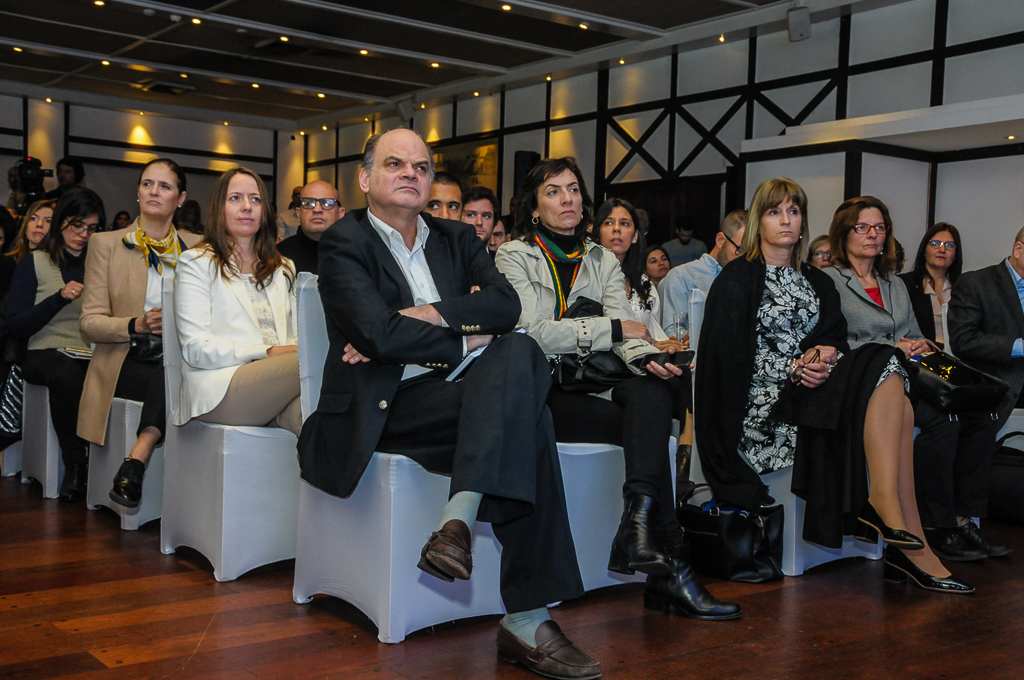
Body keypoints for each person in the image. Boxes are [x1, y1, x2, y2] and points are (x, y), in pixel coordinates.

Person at [299, 130, 600, 680]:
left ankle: (455, 527)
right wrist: (467, 334)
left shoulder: (457, 238)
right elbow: (378, 334)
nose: (410, 173)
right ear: (365, 179)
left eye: (421, 166)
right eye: (395, 164)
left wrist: (430, 313)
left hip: (464, 394)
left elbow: (507, 307)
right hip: (388, 407)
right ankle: (527, 616)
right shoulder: (344, 241)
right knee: (529, 409)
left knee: (521, 354)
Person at [496, 156, 742, 623]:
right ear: (533, 206)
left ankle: (639, 523)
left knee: (655, 390)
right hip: (546, 392)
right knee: (649, 422)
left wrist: (646, 357)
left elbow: (629, 332)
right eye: (553, 191)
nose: (567, 199)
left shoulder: (602, 258)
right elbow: (534, 333)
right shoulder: (514, 254)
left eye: (573, 189)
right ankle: (669, 565)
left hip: (595, 381)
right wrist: (611, 329)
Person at [698, 179, 972, 594]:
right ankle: (903, 536)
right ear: (758, 222)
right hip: (764, 407)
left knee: (891, 371)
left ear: (803, 221)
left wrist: (824, 354)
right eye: (774, 212)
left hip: (817, 390)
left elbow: (836, 339)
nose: (786, 220)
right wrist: (794, 368)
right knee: (887, 366)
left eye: (793, 211)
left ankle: (899, 528)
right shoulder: (737, 279)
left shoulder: (816, 279)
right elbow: (727, 358)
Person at [825, 199, 1004, 562]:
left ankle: (963, 517)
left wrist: (921, 344)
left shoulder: (893, 283)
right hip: (865, 382)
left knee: (982, 418)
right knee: (944, 422)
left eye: (880, 228)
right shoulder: (829, 280)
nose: (873, 235)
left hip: (908, 376)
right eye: (863, 227)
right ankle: (936, 525)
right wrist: (890, 348)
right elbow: (833, 341)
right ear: (844, 233)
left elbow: (914, 333)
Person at [78, 159, 202, 509]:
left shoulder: (198, 248)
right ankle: (142, 453)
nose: (154, 192)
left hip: (179, 357)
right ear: (137, 192)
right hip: (125, 358)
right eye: (147, 184)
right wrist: (137, 324)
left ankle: (137, 456)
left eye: (165, 186)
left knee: (176, 371)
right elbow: (89, 322)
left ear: (180, 198)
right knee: (171, 376)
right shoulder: (106, 243)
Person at [173, 168, 301, 437]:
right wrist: (268, 352)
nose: (247, 207)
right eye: (235, 198)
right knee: (313, 361)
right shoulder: (196, 263)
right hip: (221, 387)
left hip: (280, 387)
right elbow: (196, 348)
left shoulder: (283, 267)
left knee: (319, 420)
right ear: (218, 207)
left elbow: (297, 336)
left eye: (255, 199)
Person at [7, 188, 102, 502]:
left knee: (109, 371)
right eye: (77, 226)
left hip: (89, 352)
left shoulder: (99, 266)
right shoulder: (34, 263)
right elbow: (16, 325)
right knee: (64, 371)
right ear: (61, 221)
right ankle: (77, 464)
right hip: (43, 351)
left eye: (91, 228)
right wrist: (58, 299)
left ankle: (108, 464)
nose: (83, 235)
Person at [943, 228, 1024, 558]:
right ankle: (963, 522)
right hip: (998, 382)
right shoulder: (977, 283)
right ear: (1019, 248)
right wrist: (1020, 346)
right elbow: (964, 340)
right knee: (977, 424)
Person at [659, 209, 746, 338]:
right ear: (720, 240)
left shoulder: (747, 279)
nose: (745, 259)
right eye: (740, 250)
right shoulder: (681, 277)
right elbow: (672, 333)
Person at [277, 180, 343, 275]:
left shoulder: (356, 253)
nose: (317, 209)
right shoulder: (278, 256)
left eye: (327, 203)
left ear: (341, 214)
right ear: (298, 213)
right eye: (308, 203)